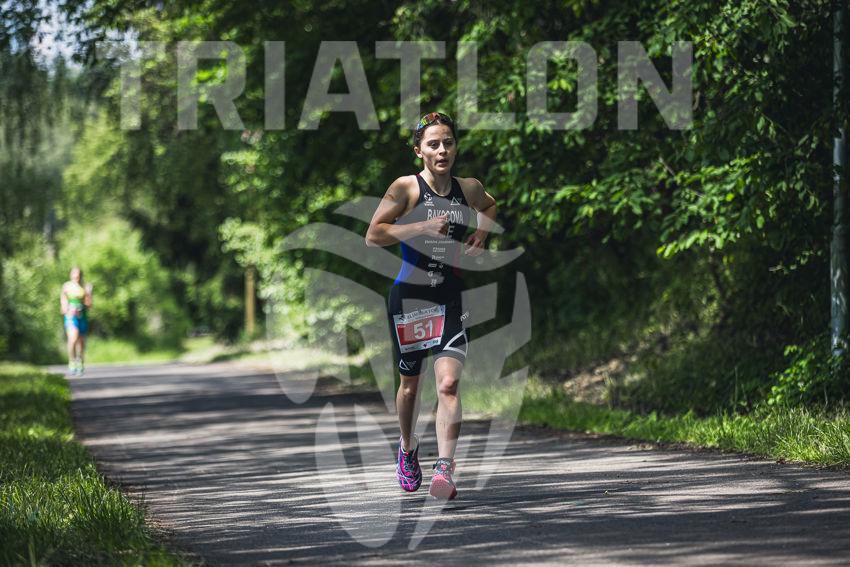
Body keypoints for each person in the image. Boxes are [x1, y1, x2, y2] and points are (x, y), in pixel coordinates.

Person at [365, 112, 497, 500]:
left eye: (448, 143)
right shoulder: (405, 187)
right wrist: (420, 227)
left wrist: (481, 235)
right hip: (411, 298)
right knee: (410, 387)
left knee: (449, 384)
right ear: (419, 150)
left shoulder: (468, 188)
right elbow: (373, 234)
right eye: (433, 144)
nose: (442, 150)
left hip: (450, 295)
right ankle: (407, 448)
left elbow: (489, 207)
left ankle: (444, 469)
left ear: (456, 147)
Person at [60, 267, 93, 375]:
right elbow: (63, 303)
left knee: (81, 342)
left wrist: (88, 295)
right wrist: (68, 309)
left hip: (82, 316)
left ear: (80, 275)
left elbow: (89, 305)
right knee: (73, 338)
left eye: (78, 274)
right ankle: (72, 360)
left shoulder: (85, 286)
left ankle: (80, 361)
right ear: (70, 275)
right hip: (70, 317)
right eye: (74, 274)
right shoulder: (66, 286)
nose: (76, 276)